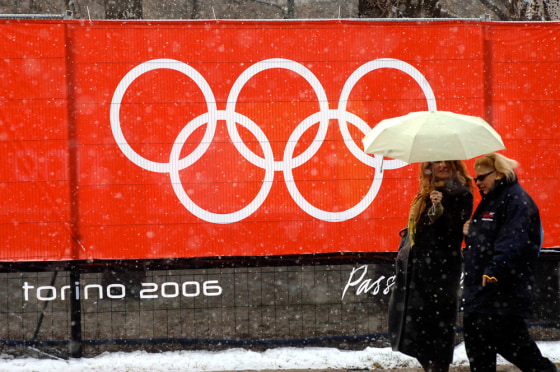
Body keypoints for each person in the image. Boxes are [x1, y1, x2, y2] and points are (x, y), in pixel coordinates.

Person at [461, 153, 557, 372]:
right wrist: (472, 233)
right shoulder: (492, 199)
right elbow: (490, 239)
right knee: (480, 358)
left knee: (525, 357)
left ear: (499, 174)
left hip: (500, 296)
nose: (478, 183)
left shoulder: (517, 200)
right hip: (480, 297)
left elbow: (512, 243)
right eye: (476, 179)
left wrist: (494, 271)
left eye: (482, 177)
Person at [389, 160, 474, 372]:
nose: (442, 165)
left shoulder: (461, 193)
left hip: (442, 271)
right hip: (418, 270)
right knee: (412, 328)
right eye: (437, 161)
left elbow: (451, 230)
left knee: (438, 329)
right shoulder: (424, 193)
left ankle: (438, 369)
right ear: (428, 167)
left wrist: (439, 207)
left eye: (447, 161)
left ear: (455, 165)